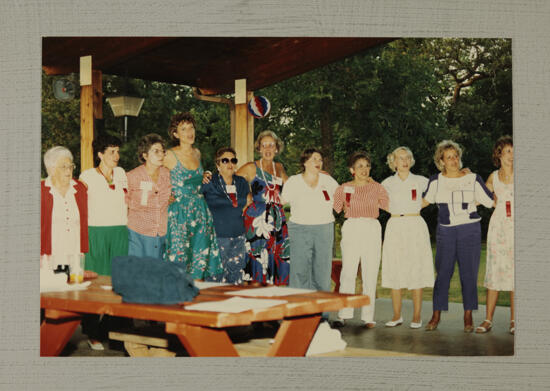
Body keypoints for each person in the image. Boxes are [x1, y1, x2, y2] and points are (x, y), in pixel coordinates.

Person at [423, 140, 494, 332]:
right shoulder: (436, 181)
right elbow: (421, 202)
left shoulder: (472, 178)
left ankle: (468, 316)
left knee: (469, 274)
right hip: (446, 231)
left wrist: (477, 193)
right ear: (441, 161)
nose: (453, 160)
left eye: (456, 156)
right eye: (449, 157)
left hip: (470, 230)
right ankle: (436, 315)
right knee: (443, 274)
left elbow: (489, 201)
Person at [79, 134, 129, 350]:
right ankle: (92, 332)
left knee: (118, 282)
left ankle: (114, 331)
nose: (116, 156)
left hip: (120, 232)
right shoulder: (87, 176)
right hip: (96, 233)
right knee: (96, 283)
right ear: (100, 154)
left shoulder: (122, 174)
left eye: (118, 151)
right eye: (111, 152)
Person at [332, 151, 389, 328]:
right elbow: (335, 208)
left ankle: (368, 316)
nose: (364, 169)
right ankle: (344, 313)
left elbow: (388, 206)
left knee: (370, 273)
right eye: (360, 166)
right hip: (352, 227)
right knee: (348, 272)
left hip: (371, 227)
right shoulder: (343, 188)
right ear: (352, 170)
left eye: (367, 165)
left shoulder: (378, 188)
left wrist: (375, 185)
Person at [163, 112, 222, 281]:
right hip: (179, 214)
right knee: (178, 260)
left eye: (191, 128)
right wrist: (162, 196)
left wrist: (203, 177)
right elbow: (151, 174)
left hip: (200, 211)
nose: (189, 132)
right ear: (175, 134)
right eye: (183, 129)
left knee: (199, 260)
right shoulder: (168, 155)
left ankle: (195, 301)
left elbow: (195, 179)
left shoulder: (197, 153)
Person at [380, 147, 434, 329]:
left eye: (407, 158)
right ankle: (397, 315)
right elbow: (381, 202)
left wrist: (419, 205)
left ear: (411, 161)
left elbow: (437, 190)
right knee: (395, 268)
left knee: (416, 269)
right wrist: (396, 211)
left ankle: (417, 315)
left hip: (415, 225)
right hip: (395, 226)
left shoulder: (421, 181)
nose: (404, 161)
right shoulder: (386, 183)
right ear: (393, 162)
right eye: (400, 158)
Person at [281, 148, 339, 298]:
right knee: (299, 271)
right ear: (305, 162)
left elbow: (342, 200)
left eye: (320, 159)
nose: (318, 162)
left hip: (324, 229)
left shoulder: (329, 181)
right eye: (314, 159)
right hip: (299, 229)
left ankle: (322, 316)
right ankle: (298, 312)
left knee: (322, 271)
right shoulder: (293, 181)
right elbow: (281, 201)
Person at [236, 130, 290, 285]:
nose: (267, 149)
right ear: (258, 148)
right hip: (257, 221)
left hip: (278, 222)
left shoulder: (279, 167)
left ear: (277, 148)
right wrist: (246, 195)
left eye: (271, 145)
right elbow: (230, 179)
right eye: (264, 145)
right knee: (257, 264)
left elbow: (293, 188)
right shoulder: (251, 167)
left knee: (277, 265)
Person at [476, 136, 515, 334]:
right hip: (499, 230)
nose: (512, 155)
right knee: (495, 273)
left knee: (517, 275)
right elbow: (478, 198)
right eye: (507, 151)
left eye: (514, 151)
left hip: (517, 229)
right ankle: (488, 320)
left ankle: (515, 320)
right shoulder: (493, 177)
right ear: (498, 154)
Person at [202, 147, 250, 284]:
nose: (230, 164)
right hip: (218, 237)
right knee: (215, 277)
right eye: (225, 160)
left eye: (233, 160)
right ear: (217, 165)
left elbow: (248, 200)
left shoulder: (241, 182)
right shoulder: (209, 182)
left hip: (238, 237)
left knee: (236, 277)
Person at [41, 146, 88, 270]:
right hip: (50, 255)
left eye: (71, 166)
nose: (69, 170)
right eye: (63, 167)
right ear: (51, 169)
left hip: (74, 253)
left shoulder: (80, 189)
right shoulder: (40, 190)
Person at [126, 133, 171, 259]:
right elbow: (123, 202)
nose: (161, 155)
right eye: (156, 151)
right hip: (137, 234)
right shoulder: (132, 176)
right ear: (145, 155)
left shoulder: (168, 175)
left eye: (162, 151)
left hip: (161, 233)